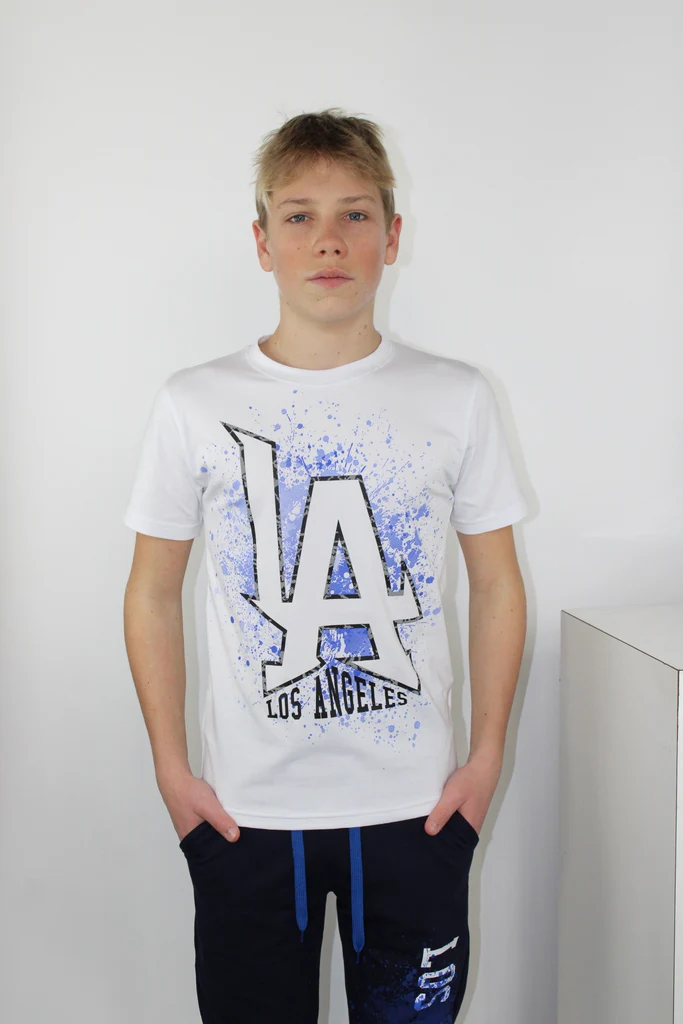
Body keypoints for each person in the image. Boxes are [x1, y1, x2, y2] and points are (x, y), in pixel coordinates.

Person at [123, 107, 528, 1023]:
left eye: (354, 213)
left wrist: (485, 759)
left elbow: (497, 582)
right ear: (261, 242)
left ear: (392, 235)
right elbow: (151, 591)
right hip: (248, 818)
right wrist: (171, 769)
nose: (328, 239)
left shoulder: (455, 397)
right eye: (299, 215)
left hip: (418, 810)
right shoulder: (194, 403)